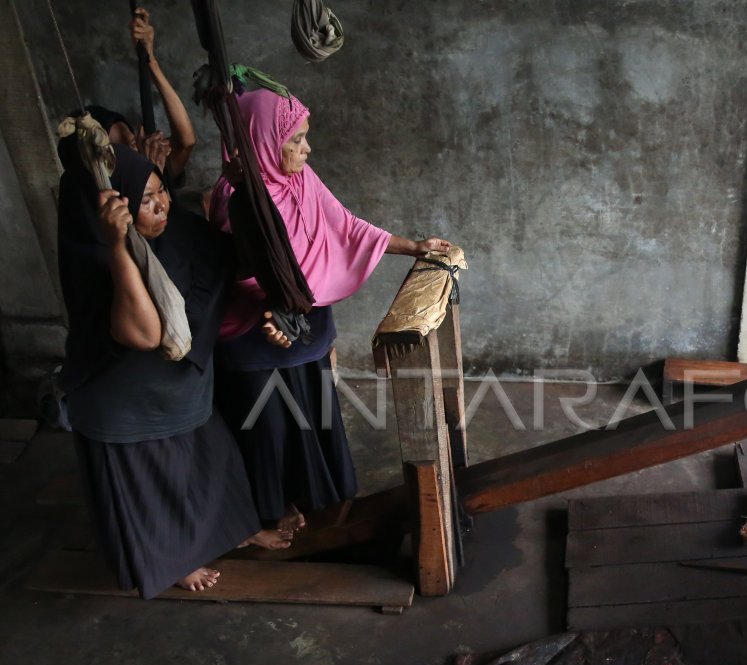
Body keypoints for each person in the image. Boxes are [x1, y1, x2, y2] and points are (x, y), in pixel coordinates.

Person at [208, 88, 454, 532]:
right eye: (295, 140)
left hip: (303, 320)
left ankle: (317, 495)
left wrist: (412, 246)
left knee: (313, 411)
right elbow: (244, 272)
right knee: (270, 426)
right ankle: (269, 509)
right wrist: (280, 308)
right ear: (260, 140)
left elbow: (344, 223)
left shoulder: (300, 179)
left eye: (305, 137)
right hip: (258, 330)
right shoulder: (236, 198)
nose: (307, 149)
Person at [57, 140, 292, 597]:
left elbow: (232, 258)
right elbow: (145, 333)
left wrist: (243, 189)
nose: (161, 203)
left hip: (182, 383)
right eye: (145, 200)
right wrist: (118, 246)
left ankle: (231, 532)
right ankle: (175, 562)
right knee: (154, 488)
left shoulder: (178, 229)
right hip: (125, 399)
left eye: (161, 189)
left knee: (211, 465)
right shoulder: (95, 254)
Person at [82, 7, 196, 184]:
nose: (134, 145)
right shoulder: (120, 197)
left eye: (131, 137)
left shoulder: (153, 158)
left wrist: (150, 59)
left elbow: (186, 141)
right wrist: (152, 169)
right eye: (123, 145)